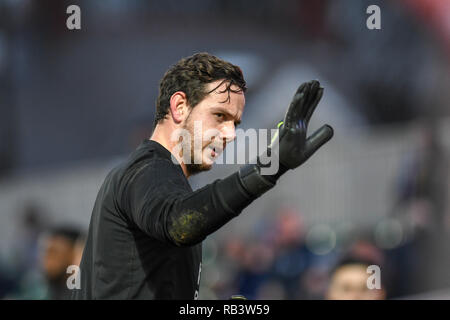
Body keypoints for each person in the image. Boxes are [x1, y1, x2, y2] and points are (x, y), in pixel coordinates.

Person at [72, 52, 333, 299]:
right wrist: (271, 165)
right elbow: (180, 224)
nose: (230, 134)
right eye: (219, 115)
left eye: (235, 123)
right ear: (179, 106)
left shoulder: (158, 175)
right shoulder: (148, 169)